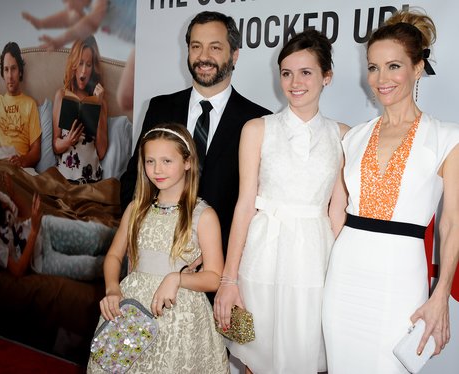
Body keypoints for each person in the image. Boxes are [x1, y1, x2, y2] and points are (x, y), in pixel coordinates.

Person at [322, 9, 459, 373]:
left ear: (418, 68)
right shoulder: (355, 137)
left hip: (401, 278)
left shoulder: (447, 138)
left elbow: (451, 223)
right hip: (345, 277)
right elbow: (339, 211)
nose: (381, 79)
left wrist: (440, 294)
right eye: (373, 67)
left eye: (394, 66)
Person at [214, 30, 348, 374]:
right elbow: (244, 205)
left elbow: (338, 211)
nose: (295, 82)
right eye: (287, 73)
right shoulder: (257, 128)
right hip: (261, 257)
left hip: (316, 261)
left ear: (326, 77)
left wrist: (346, 277)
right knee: (254, 361)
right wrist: (229, 280)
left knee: (308, 358)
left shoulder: (343, 135)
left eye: (306, 72)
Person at [120, 11, 271, 253]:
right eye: (196, 46)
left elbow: (260, 203)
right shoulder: (159, 108)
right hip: (156, 254)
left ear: (234, 55)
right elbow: (134, 181)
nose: (203, 57)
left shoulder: (259, 121)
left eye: (215, 48)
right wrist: (141, 237)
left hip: (221, 262)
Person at [87, 124, 229, 373]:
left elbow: (215, 277)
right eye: (150, 161)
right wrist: (112, 289)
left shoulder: (203, 215)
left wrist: (177, 279)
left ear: (187, 162)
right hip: (131, 312)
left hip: (181, 317)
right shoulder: (136, 209)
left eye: (166, 161)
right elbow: (113, 256)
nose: (157, 170)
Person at [0, 172, 115, 281]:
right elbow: (18, 270)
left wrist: (13, 194)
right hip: (40, 259)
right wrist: (33, 232)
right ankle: (129, 269)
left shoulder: (1, 198)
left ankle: (129, 242)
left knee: (98, 235)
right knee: (92, 266)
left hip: (45, 228)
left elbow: (25, 216)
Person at [52, 36, 108, 183]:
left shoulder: (101, 102)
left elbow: (101, 152)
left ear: (93, 68)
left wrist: (99, 104)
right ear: (73, 65)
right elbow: (56, 146)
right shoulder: (62, 95)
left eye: (88, 65)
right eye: (80, 63)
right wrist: (68, 141)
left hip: (91, 180)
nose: (83, 71)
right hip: (65, 178)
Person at [0, 42, 41, 168]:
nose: (10, 76)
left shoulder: (30, 104)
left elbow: (36, 150)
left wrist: (22, 160)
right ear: (2, 74)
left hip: (20, 168)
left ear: (20, 72)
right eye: (6, 70)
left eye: (13, 69)